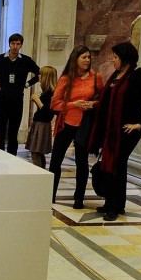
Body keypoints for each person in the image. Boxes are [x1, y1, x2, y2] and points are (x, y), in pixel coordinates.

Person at [87, 42, 141, 220]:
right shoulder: (116, 75)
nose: (112, 60)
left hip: (127, 130)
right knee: (111, 163)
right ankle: (113, 203)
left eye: (115, 57)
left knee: (118, 164)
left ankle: (115, 206)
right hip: (111, 129)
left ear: (125, 58)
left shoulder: (139, 75)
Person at [48, 45, 103, 208]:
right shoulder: (66, 79)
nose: (87, 60)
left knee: (82, 162)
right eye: (83, 57)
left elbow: (103, 100)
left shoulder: (96, 77)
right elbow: (55, 104)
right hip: (66, 124)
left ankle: (79, 198)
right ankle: (50, 196)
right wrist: (74, 104)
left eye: (88, 57)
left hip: (84, 125)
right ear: (75, 59)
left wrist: (92, 104)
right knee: (55, 161)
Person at [0, 33, 41, 154]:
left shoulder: (26, 60)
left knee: (14, 131)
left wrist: (27, 84)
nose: (15, 46)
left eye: (18, 44)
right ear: (9, 44)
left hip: (17, 99)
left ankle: (12, 157)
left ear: (21, 45)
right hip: (2, 99)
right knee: (0, 130)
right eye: (13, 43)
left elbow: (40, 73)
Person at [24, 65, 57, 170]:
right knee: (38, 152)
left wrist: (37, 100)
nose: (38, 76)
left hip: (42, 124)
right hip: (39, 123)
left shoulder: (50, 93)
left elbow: (48, 112)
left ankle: (39, 173)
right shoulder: (45, 92)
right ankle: (41, 172)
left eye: (40, 75)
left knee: (36, 152)